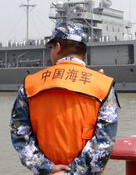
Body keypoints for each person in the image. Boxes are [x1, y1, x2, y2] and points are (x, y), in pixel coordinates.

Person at [10, 22, 119, 175]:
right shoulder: (103, 86)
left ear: (58, 48)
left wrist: (47, 167)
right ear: (84, 51)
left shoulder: (30, 85)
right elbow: (105, 140)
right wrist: (74, 171)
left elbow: (19, 133)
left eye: (51, 47)